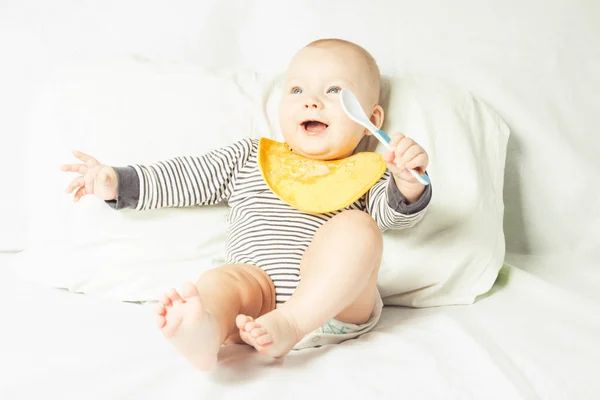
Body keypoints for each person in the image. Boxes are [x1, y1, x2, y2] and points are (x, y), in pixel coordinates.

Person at [61, 38, 432, 371]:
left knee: (360, 229)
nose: (311, 100)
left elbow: (393, 217)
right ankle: (205, 331)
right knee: (224, 280)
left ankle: (292, 322)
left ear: (372, 120)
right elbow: (186, 178)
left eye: (335, 91)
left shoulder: (370, 171)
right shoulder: (251, 158)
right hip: (254, 300)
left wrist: (407, 179)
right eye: (297, 88)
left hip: (334, 308)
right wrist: (116, 182)